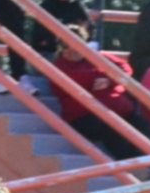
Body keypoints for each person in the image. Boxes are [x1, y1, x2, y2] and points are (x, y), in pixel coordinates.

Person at [51, 25, 143, 160]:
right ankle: (133, 165)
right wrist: (108, 74)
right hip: (84, 117)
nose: (71, 49)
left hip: (117, 110)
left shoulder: (96, 57)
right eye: (65, 45)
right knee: (111, 126)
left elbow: (125, 68)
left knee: (140, 122)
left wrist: (109, 80)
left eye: (76, 44)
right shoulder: (59, 67)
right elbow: (81, 79)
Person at [29, 0, 92, 67]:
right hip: (48, 54)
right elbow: (42, 38)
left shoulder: (77, 5)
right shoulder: (46, 7)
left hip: (73, 53)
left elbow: (90, 28)